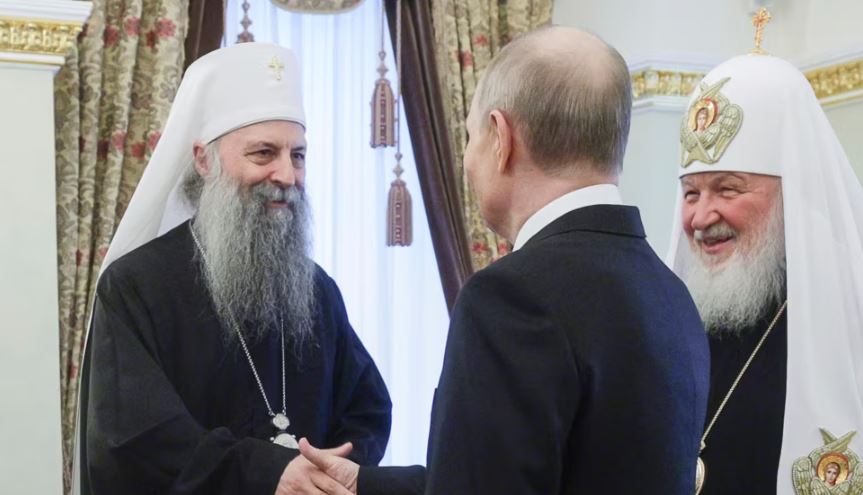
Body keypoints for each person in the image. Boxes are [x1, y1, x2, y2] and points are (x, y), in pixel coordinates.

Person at [294, 25, 710, 495]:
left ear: (500, 136)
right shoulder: (670, 291)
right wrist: (368, 484)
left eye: (470, 137)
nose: (467, 160)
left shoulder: (511, 297)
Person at [72, 42, 392, 495]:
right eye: (263, 153)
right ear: (204, 160)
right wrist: (266, 474)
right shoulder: (135, 287)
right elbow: (135, 440)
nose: (287, 175)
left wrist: (331, 472)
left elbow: (367, 409)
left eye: (298, 155)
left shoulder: (318, 289)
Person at [667, 50, 863, 493]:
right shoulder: (670, 328)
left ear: (792, 195)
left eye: (727, 189)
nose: (700, 217)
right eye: (691, 193)